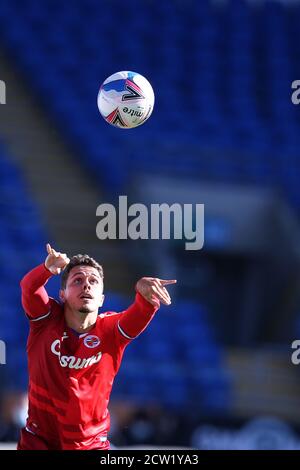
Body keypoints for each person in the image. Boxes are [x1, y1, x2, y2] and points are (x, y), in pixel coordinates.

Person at [17, 244, 176, 450]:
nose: (86, 286)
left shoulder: (111, 331)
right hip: (39, 441)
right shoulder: (45, 319)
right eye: (77, 280)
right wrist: (46, 269)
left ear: (102, 299)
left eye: (93, 281)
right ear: (63, 294)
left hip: (91, 445)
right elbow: (29, 287)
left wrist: (145, 295)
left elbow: (139, 314)